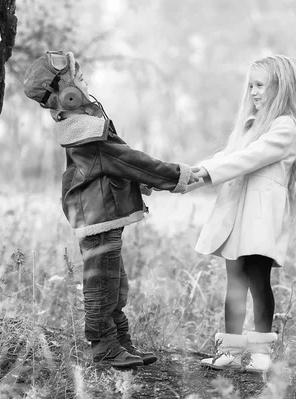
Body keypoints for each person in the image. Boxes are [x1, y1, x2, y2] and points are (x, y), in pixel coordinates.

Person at [22, 51, 197, 368]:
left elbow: (112, 164)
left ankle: (121, 343)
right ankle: (104, 347)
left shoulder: (83, 124)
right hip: (97, 217)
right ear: (69, 94)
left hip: (102, 215)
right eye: (80, 77)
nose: (86, 81)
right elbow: (127, 159)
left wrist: (136, 182)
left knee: (115, 286)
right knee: (102, 284)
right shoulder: (85, 130)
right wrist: (177, 175)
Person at [189, 55, 296, 372]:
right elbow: (229, 156)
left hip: (260, 218)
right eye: (251, 86)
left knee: (259, 281)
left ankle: (261, 353)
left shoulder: (286, 128)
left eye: (260, 85)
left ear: (280, 88)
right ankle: (229, 350)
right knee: (234, 282)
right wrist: (188, 176)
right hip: (237, 217)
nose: (253, 92)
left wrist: (206, 170)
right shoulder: (250, 124)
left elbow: (248, 158)